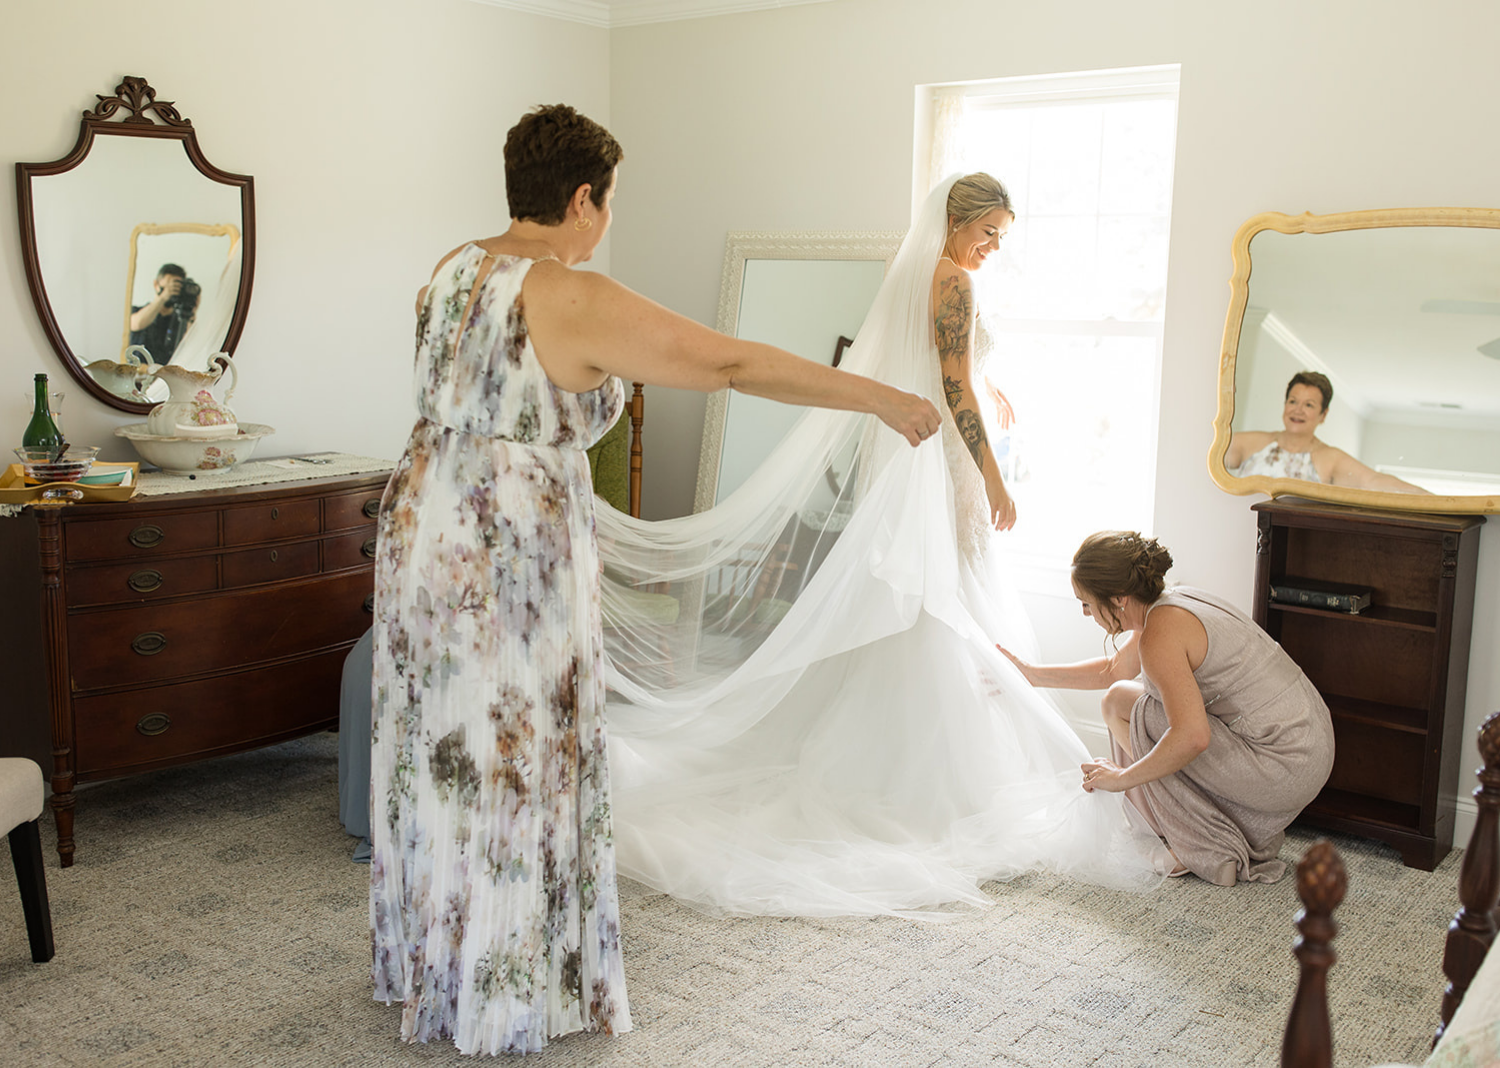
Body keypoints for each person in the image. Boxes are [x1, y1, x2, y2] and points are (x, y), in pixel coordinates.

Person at [368, 104, 940, 1057]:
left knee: (442, 744)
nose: (608, 221)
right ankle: (506, 987)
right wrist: (876, 395)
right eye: (611, 202)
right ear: (584, 198)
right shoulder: (568, 293)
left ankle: (438, 958)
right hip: (509, 543)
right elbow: (729, 362)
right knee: (522, 747)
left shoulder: (449, 271)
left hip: (426, 529)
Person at [593, 174, 1168, 923]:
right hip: (949, 463)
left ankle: (906, 765)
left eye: (1002, 236)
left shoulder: (930, 277)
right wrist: (995, 477)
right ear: (955, 224)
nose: (993, 248)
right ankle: (929, 783)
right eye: (987, 232)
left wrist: (988, 389)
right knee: (948, 599)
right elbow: (951, 386)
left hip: (926, 455)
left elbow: (951, 373)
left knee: (943, 602)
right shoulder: (952, 280)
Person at [999, 531, 1336, 885]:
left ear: (1118, 599)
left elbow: (1192, 736)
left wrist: (1121, 779)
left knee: (1144, 712)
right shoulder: (1169, 602)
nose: (1085, 613)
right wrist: (1030, 674)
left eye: (1086, 603)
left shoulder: (1161, 634)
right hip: (1311, 744)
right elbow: (1114, 671)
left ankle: (1206, 846)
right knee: (1118, 700)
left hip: (1286, 762)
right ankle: (1183, 826)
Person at [1226, 371, 1430, 493]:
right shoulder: (1250, 443)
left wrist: (1439, 502)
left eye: (1309, 405)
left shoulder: (1330, 458)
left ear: (1323, 414)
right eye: (1293, 401)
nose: (1298, 410)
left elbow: (1373, 481)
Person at [128, 263, 197, 363]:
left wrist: (192, 310)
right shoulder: (137, 311)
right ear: (156, 285)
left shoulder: (180, 320)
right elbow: (137, 324)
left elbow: (190, 347)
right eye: (170, 285)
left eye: (177, 287)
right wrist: (163, 297)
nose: (173, 290)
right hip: (138, 375)